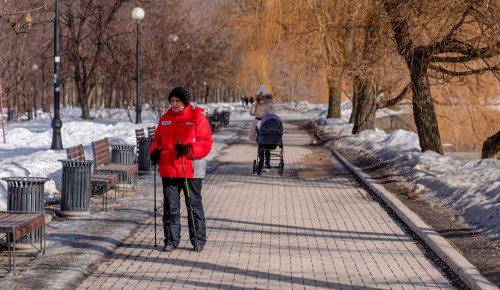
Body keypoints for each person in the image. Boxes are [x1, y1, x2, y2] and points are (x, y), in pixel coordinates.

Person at [149, 87, 213, 252]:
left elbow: (206, 142)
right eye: (172, 101)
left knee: (193, 205)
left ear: (184, 101)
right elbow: (157, 141)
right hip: (169, 170)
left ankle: (198, 240)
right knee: (171, 207)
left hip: (190, 170)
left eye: (177, 101)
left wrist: (188, 150)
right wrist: (154, 152)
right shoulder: (165, 119)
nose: (174, 104)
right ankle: (171, 240)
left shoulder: (197, 117)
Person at [249, 87, 275, 170]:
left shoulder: (268, 103)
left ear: (263, 95)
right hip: (257, 123)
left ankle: (267, 162)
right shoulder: (256, 103)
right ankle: (261, 161)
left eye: (260, 95)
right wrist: (253, 105)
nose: (259, 97)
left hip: (265, 124)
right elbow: (252, 113)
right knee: (260, 143)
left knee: (266, 144)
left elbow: (272, 114)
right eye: (257, 95)